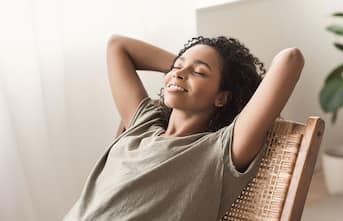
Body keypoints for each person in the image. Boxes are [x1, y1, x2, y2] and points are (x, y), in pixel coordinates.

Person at [63, 35, 304, 221]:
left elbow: (290, 59)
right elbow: (117, 45)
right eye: (176, 66)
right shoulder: (143, 123)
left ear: (221, 97)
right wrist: (185, 71)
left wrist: (235, 81)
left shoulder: (220, 151)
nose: (179, 73)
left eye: (200, 72)